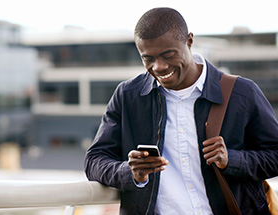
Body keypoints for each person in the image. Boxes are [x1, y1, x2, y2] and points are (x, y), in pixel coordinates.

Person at [84, 7, 278, 215]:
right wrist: (129, 172)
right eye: (148, 59)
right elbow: (94, 160)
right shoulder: (128, 96)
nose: (159, 67)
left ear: (189, 41)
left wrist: (232, 160)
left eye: (168, 55)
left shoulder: (242, 92)